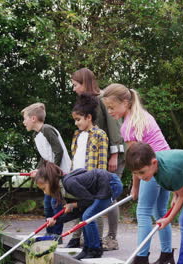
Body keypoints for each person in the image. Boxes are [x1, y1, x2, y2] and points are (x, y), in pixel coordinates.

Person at [103, 84, 174, 264]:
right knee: (161, 212)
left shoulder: (128, 127)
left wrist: (135, 187)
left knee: (143, 212)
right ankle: (167, 256)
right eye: (107, 108)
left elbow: (136, 162)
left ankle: (141, 257)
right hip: (167, 165)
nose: (110, 111)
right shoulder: (143, 116)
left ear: (125, 103)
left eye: (112, 107)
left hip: (152, 168)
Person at [69, 68, 125, 250]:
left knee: (109, 195)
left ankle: (111, 237)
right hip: (97, 155)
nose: (73, 88)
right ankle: (87, 234)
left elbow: (115, 125)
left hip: (111, 154)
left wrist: (114, 154)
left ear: (85, 83)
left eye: (75, 84)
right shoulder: (87, 102)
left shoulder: (103, 98)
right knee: (93, 194)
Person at [34, 160, 123, 260]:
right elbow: (77, 212)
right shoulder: (63, 190)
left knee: (88, 216)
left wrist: (73, 204)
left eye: (44, 188)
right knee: (83, 216)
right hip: (101, 188)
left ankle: (95, 249)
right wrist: (56, 220)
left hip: (111, 184)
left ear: (50, 181)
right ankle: (87, 249)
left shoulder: (69, 184)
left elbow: (89, 200)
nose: (45, 193)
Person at [21, 102, 71, 239]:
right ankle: (49, 232)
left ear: (33, 118)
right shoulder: (36, 136)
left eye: (25, 118)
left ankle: (56, 235)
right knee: (47, 206)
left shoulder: (47, 130)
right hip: (50, 174)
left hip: (58, 174)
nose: (23, 122)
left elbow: (58, 151)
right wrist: (37, 170)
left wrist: (49, 172)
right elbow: (44, 158)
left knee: (56, 205)